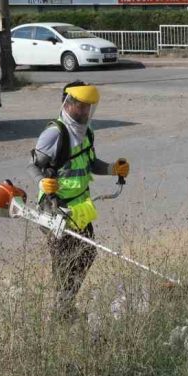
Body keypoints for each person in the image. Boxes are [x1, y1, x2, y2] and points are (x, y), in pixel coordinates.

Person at [27, 81, 131, 318]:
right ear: (68, 103)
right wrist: (42, 182)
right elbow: (32, 166)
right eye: (81, 106)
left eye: (88, 107)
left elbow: (91, 163)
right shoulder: (55, 133)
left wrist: (113, 169)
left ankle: (65, 304)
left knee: (86, 253)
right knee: (64, 260)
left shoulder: (87, 132)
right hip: (55, 207)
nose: (85, 112)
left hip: (79, 207)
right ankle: (62, 311)